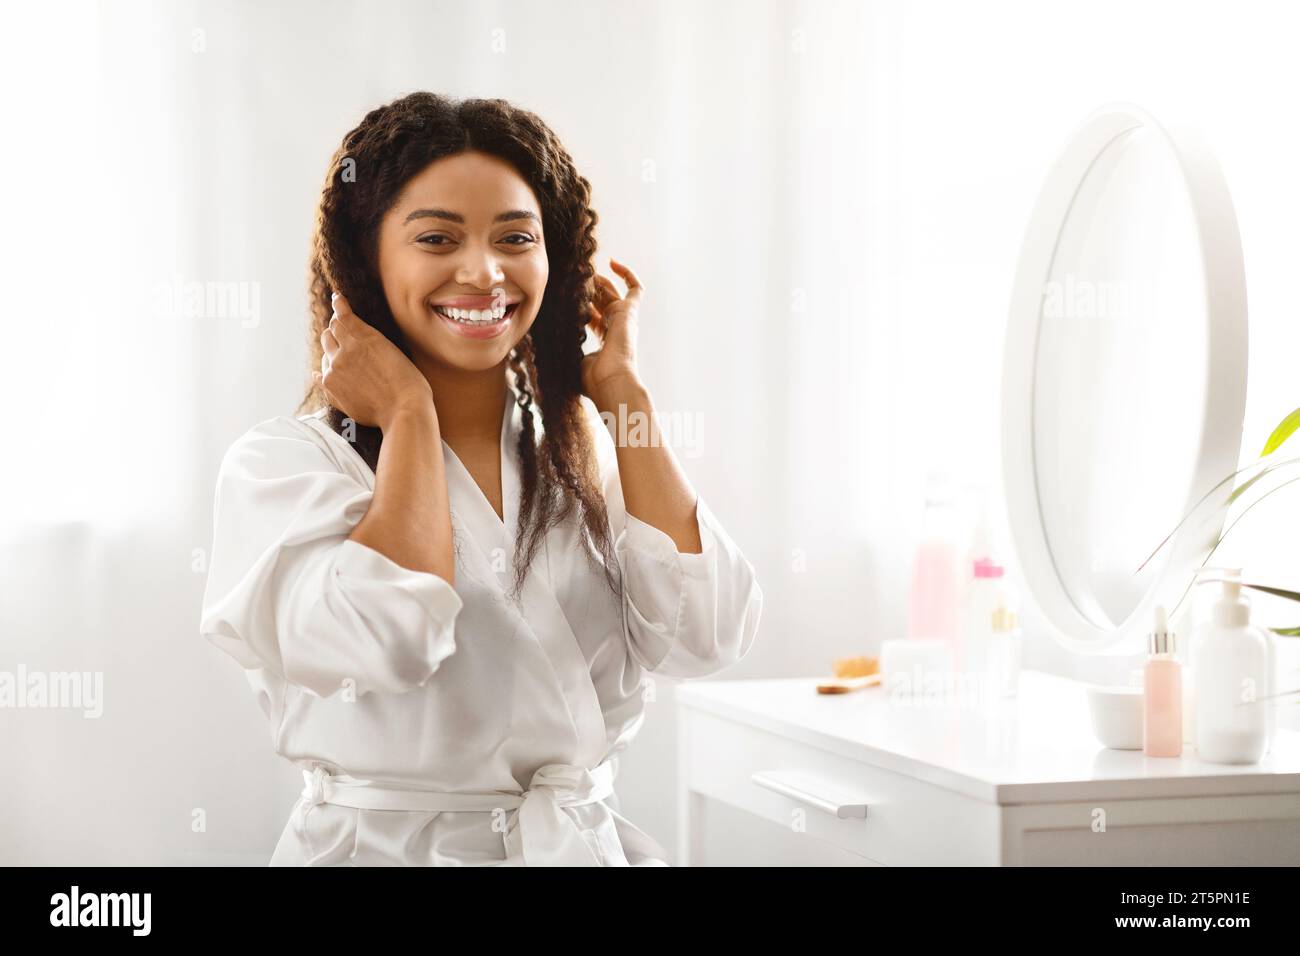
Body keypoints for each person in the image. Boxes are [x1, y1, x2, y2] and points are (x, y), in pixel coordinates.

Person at [198, 92, 763, 865]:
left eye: (515, 237)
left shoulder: (588, 455)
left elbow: (709, 634)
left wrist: (625, 393)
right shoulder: (283, 469)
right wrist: (407, 414)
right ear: (366, 261)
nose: (483, 271)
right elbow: (388, 638)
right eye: (437, 236)